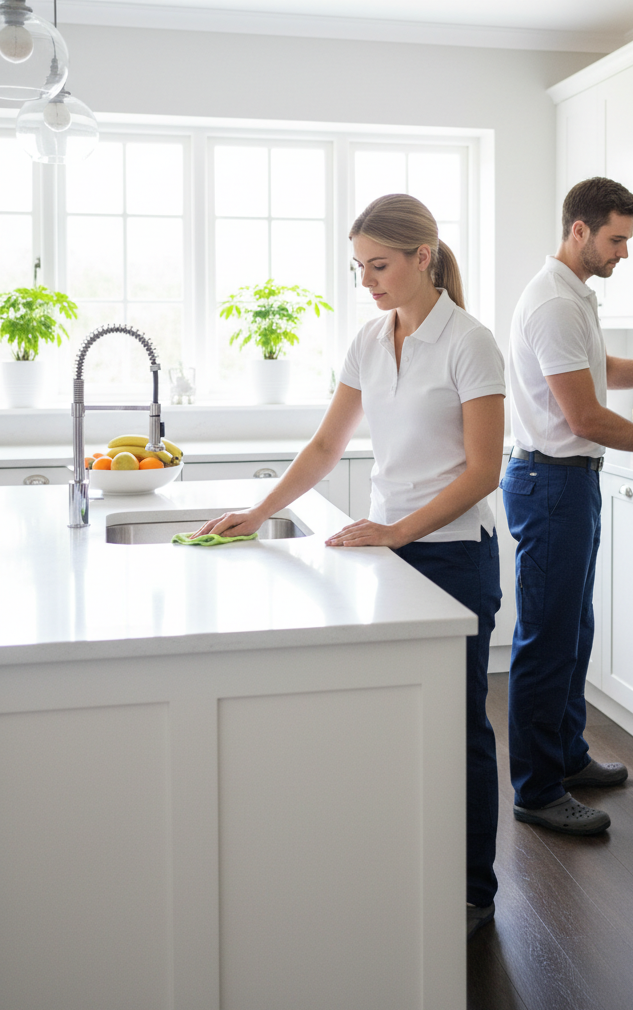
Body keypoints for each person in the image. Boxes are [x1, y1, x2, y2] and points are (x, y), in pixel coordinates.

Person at [194, 193, 506, 940]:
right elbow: (326, 446)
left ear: (422, 258)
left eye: (379, 265)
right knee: (400, 719)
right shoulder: (370, 339)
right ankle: (405, 868)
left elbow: (484, 471)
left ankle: (471, 892)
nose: (366, 281)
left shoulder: (471, 342)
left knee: (459, 725)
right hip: (389, 551)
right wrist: (260, 510)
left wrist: (397, 530)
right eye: (359, 267)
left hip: (453, 554)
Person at [502, 176, 633, 836]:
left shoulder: (574, 298)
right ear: (579, 231)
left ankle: (565, 757)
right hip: (551, 485)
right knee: (546, 639)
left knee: (574, 628)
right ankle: (537, 790)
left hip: (567, 484)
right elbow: (588, 417)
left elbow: (602, 372)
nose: (624, 252)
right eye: (617, 239)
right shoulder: (554, 304)